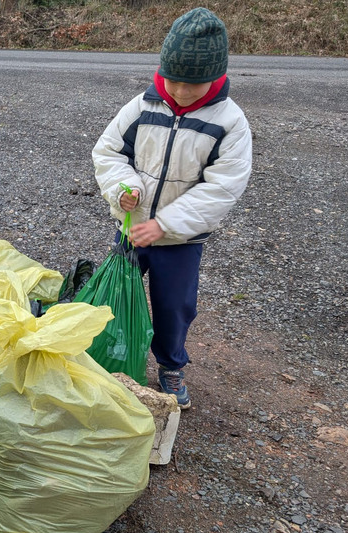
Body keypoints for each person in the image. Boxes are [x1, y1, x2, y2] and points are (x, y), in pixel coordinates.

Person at [91, 7, 252, 410]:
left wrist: (166, 224)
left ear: (215, 78)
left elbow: (223, 187)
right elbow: (108, 152)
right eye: (174, 80)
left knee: (174, 306)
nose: (180, 92)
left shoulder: (230, 122)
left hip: (181, 239)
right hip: (132, 227)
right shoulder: (143, 106)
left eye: (192, 85)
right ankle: (106, 358)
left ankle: (170, 365)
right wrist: (123, 189)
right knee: (115, 295)